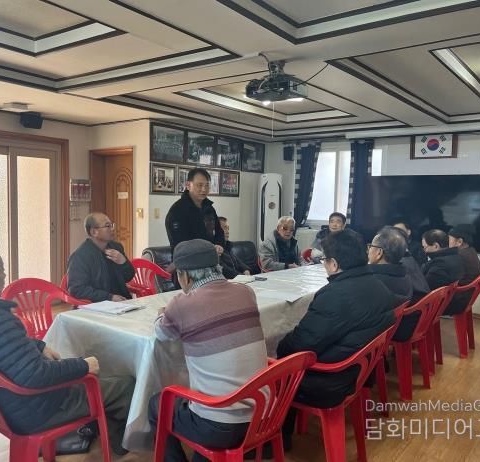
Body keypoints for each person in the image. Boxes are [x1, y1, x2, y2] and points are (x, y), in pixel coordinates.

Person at [0, 244, 134, 455]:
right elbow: (35, 375)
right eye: (1, 269)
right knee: (125, 384)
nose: (4, 275)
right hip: (34, 409)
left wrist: (39, 345)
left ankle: (92, 430)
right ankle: (120, 447)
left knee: (79, 367)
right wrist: (83, 366)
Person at [276, 229, 401, 447]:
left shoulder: (335, 294)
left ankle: (276, 441)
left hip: (331, 381)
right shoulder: (378, 284)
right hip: (359, 371)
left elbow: (298, 346)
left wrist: (278, 349)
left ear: (333, 264)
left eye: (324, 260)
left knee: (275, 368)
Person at [148, 239, 268, 462]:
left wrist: (161, 313)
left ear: (185, 276)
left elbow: (162, 334)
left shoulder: (181, 304)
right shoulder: (245, 292)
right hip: (263, 415)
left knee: (157, 404)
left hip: (220, 426)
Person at [368, 226, 427, 341]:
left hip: (384, 334)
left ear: (379, 252)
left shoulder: (373, 281)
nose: (368, 250)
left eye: (371, 246)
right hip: (400, 325)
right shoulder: (403, 273)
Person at [67, 212, 135, 302]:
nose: (112, 229)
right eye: (108, 226)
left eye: (112, 225)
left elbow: (129, 276)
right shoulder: (80, 256)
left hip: (123, 301)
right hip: (97, 305)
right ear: (94, 232)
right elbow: (77, 289)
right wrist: (109, 297)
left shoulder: (116, 247)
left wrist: (123, 262)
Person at [165, 167, 225, 254]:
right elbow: (180, 245)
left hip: (211, 257)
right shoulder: (177, 211)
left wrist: (219, 245)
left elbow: (219, 232)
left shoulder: (209, 208)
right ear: (188, 185)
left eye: (207, 185)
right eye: (199, 185)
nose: (204, 189)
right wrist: (208, 249)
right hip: (187, 259)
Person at [421, 229, 464, 308]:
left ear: (436, 246)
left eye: (425, 247)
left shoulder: (440, 264)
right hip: (452, 299)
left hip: (440, 305)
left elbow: (425, 288)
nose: (424, 251)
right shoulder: (456, 256)